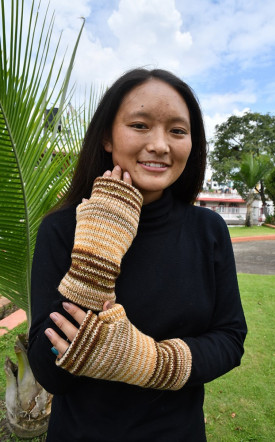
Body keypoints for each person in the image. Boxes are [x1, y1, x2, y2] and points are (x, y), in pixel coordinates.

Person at [28, 68, 247, 442]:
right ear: (107, 138)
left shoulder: (208, 230)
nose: (160, 144)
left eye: (177, 130)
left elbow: (229, 339)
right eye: (140, 125)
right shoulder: (62, 228)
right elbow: (50, 374)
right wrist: (98, 253)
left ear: (192, 144)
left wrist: (150, 363)